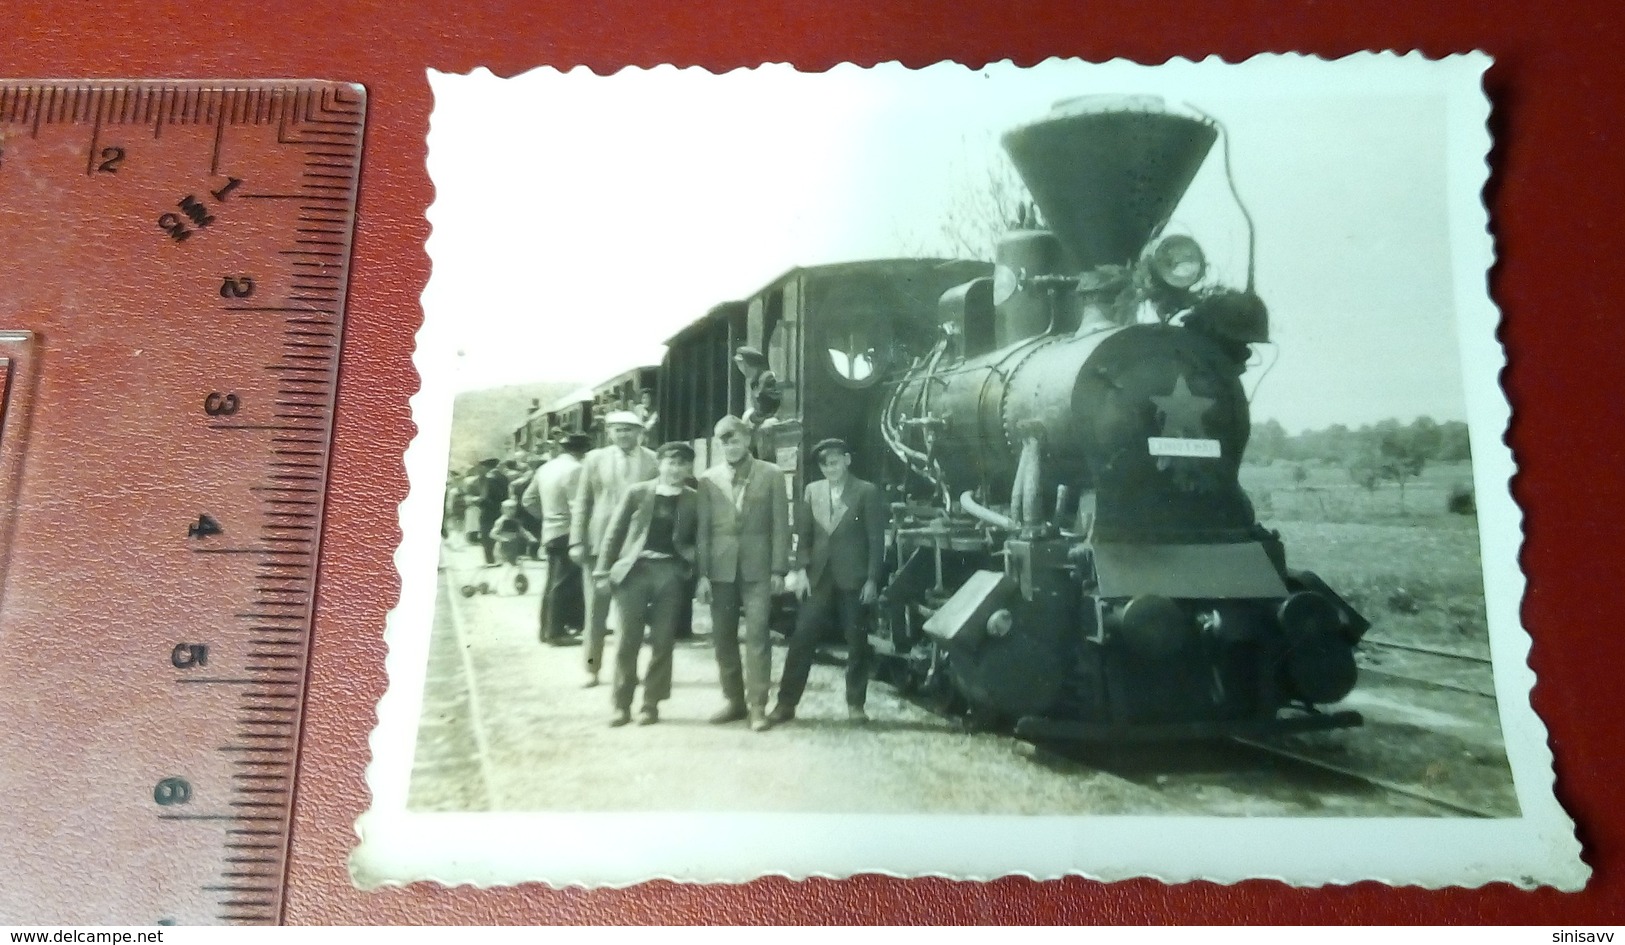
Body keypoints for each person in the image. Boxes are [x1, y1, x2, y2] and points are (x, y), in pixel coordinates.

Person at [770, 438, 887, 725]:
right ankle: (785, 704)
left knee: (857, 643)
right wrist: (800, 572)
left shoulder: (866, 492)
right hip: (818, 579)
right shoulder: (813, 491)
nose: (829, 468)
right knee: (802, 639)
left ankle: (855, 705)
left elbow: (876, 540)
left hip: (854, 580)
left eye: (834, 462)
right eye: (824, 464)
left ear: (847, 460)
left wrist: (872, 580)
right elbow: (804, 536)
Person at [593, 442, 700, 727]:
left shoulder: (694, 499)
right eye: (670, 463)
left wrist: (690, 567)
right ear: (660, 464)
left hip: (670, 573)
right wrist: (602, 571)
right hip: (635, 572)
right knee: (627, 640)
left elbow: (700, 540)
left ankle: (650, 704)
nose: (675, 469)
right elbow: (614, 533)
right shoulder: (638, 492)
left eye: (682, 464)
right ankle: (621, 704)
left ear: (689, 468)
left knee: (663, 641)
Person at [695, 414, 790, 731]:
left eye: (735, 439)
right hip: (720, 571)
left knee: (758, 637)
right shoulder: (708, 479)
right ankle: (733, 701)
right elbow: (703, 532)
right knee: (722, 638)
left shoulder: (772, 474)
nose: (730, 446)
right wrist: (703, 574)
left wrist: (779, 569)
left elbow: (780, 527)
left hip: (759, 569)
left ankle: (758, 707)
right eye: (724, 441)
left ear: (747, 440)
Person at [570, 411, 658, 686]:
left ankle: (627, 671)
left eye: (629, 430)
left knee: (631, 614)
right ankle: (592, 668)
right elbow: (583, 502)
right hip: (599, 543)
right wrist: (576, 540)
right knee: (596, 611)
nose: (624, 435)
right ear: (609, 433)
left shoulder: (653, 461)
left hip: (635, 546)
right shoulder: (594, 459)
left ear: (640, 433)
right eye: (618, 430)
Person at [527, 432, 590, 646]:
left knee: (553, 582)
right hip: (569, 531)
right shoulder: (577, 469)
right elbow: (577, 505)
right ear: (583, 451)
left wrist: (547, 517)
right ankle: (556, 632)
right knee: (564, 583)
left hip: (551, 531)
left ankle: (546, 629)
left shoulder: (545, 468)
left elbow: (528, 500)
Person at [488, 499, 537, 591]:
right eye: (509, 508)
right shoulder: (501, 521)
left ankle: (498, 585)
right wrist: (502, 539)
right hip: (503, 547)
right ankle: (499, 587)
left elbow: (522, 531)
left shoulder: (515, 521)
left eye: (514, 508)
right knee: (506, 567)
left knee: (515, 566)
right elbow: (492, 534)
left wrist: (531, 537)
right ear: (503, 509)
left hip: (513, 547)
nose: (512, 511)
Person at [732, 346, 781, 427]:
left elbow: (773, 409)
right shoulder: (755, 381)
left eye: (740, 364)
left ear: (747, 364)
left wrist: (752, 418)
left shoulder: (767, 378)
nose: (739, 368)